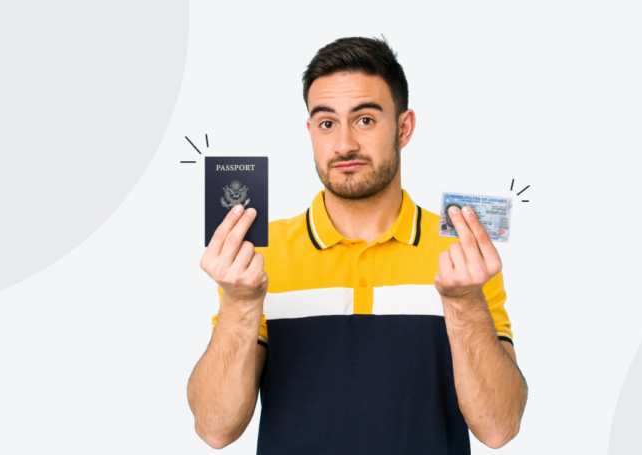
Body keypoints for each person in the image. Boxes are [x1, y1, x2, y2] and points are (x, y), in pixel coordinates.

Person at [186, 36, 528, 454]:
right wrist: (240, 303)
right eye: (327, 123)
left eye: (365, 120)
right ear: (310, 131)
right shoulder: (259, 254)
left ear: (404, 128)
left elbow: (499, 428)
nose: (344, 144)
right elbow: (215, 429)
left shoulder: (463, 255)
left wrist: (465, 304)